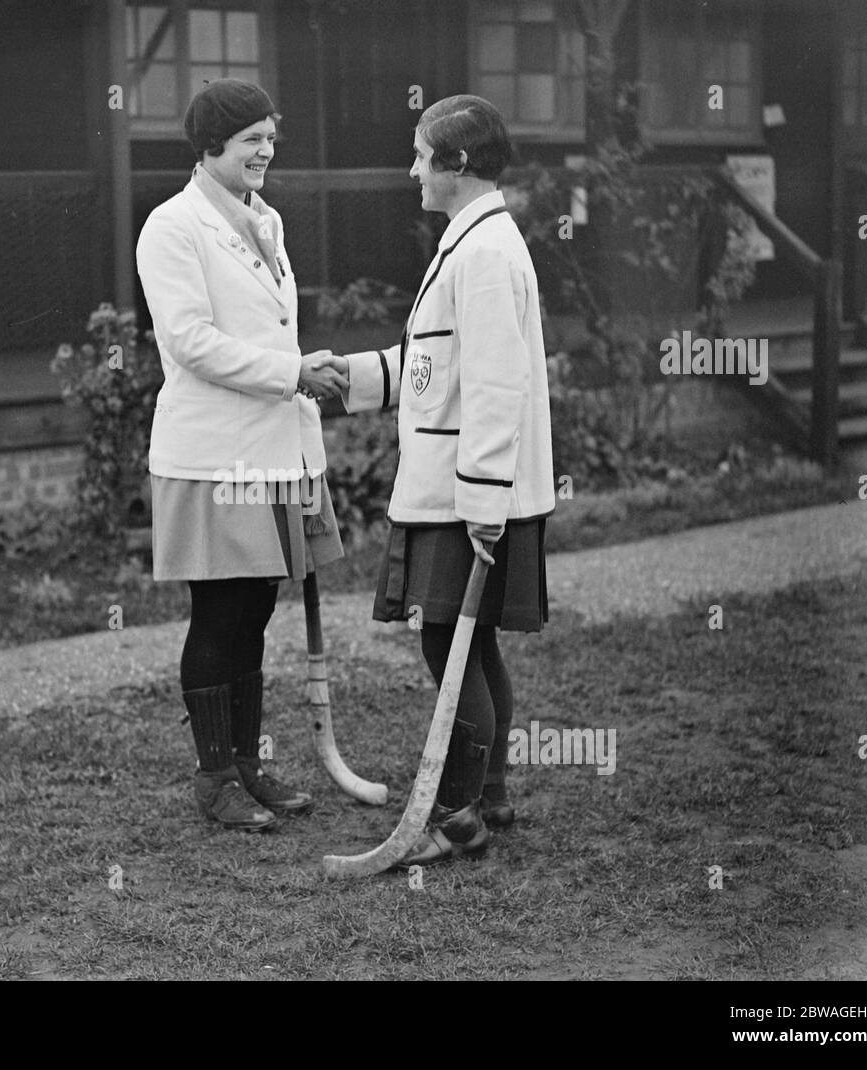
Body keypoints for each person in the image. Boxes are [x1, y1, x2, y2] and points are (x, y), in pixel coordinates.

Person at [330, 95, 555, 866]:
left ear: (456, 164)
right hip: (460, 490)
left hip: (468, 496)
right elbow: (437, 371)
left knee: (446, 642)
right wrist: (352, 378)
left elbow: (496, 387)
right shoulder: (471, 242)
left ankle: (457, 814)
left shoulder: (487, 253)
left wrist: (485, 501)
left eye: (422, 155)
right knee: (474, 643)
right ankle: (484, 794)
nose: (413, 169)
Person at [136, 79, 350, 832]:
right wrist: (291, 371)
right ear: (209, 146)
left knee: (257, 605)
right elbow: (191, 343)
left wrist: (297, 367)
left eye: (270, 135)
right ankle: (213, 778)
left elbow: (266, 332)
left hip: (273, 446)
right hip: (214, 454)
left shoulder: (266, 221)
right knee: (220, 611)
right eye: (251, 138)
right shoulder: (172, 227)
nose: (267, 150)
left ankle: (248, 764)